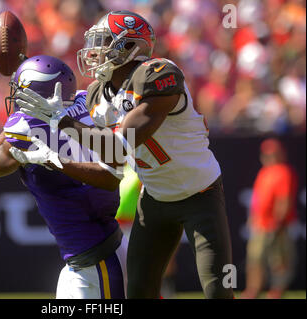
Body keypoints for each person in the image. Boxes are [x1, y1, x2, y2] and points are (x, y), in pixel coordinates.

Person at [15, 10, 234, 299]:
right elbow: (113, 164)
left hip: (200, 194)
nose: (93, 51)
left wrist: (64, 122)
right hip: (155, 198)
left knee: (219, 290)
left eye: (103, 42)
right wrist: (54, 158)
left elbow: (121, 145)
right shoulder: (97, 95)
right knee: (138, 291)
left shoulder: (159, 74)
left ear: (130, 46)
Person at [0, 55, 127, 299]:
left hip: (95, 259)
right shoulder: (86, 100)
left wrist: (15, 122)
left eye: (22, 92)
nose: (18, 98)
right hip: (99, 248)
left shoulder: (28, 126)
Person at [242, 138, 298, 299]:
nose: (270, 157)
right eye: (267, 154)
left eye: (273, 153)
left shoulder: (284, 171)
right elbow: (258, 200)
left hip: (277, 225)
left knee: (279, 260)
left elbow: (284, 199)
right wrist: (253, 218)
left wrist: (279, 222)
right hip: (260, 224)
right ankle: (253, 290)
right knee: (255, 258)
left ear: (281, 154)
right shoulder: (264, 172)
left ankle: (276, 291)